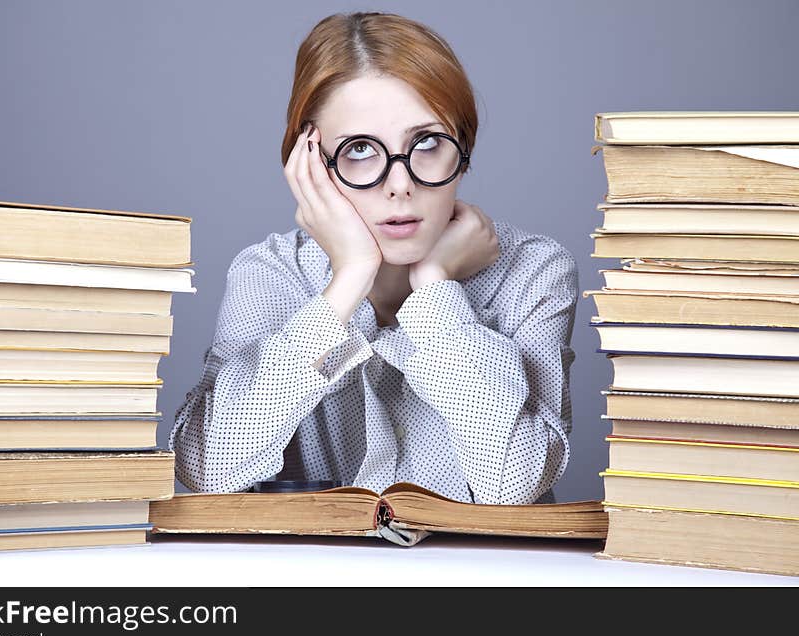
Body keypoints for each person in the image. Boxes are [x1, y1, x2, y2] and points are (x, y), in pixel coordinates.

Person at [169, 11, 578, 505]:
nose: (400, 185)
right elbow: (209, 467)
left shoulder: (533, 271)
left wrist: (435, 287)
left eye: (427, 143)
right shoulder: (270, 272)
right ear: (311, 164)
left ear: (463, 153)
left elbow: (516, 483)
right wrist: (348, 282)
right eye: (360, 149)